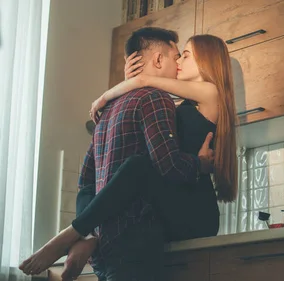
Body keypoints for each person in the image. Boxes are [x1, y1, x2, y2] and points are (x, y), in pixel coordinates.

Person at [19, 27, 238, 280]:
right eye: (178, 55)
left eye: (186, 55)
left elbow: (146, 81)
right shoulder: (176, 103)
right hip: (172, 197)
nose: (178, 61)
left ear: (207, 61)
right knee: (134, 169)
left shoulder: (212, 94)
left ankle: (76, 233)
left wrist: (110, 93)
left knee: (138, 166)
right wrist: (128, 89)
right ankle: (89, 236)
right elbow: (146, 88)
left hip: (194, 209)